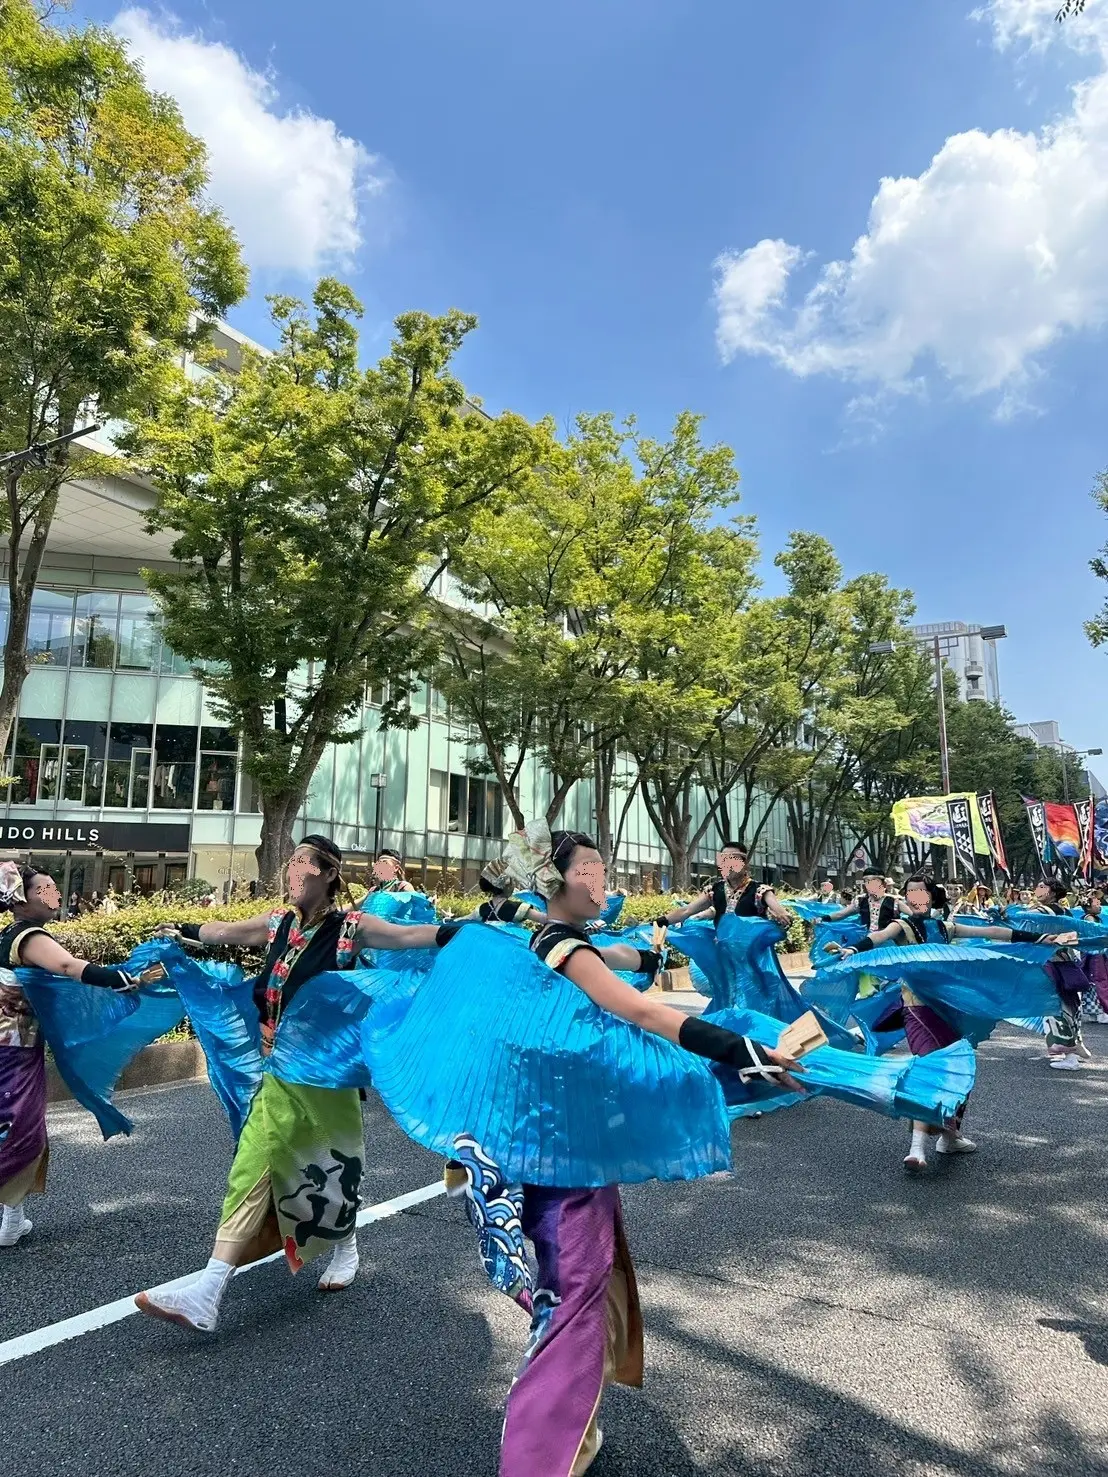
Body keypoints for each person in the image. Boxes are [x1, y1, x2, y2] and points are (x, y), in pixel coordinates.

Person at [476, 826, 804, 1475]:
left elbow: (612, 959)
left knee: (576, 1286)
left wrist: (643, 953)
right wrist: (751, 1054)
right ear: (565, 879)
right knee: (571, 1295)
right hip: (557, 1151)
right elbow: (646, 1014)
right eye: (595, 867)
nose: (605, 878)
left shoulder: (552, 941)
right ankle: (538, 1457)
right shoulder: (562, 944)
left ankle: (575, 1430)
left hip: (544, 1139)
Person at [134, 835, 454, 1333]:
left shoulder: (353, 926)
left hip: (328, 1075)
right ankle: (210, 1287)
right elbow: (224, 931)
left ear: (328, 873)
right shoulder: (277, 923)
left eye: (304, 861)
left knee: (327, 1167)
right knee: (254, 1164)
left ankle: (343, 1246)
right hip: (277, 1070)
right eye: (292, 861)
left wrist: (472, 932)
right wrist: (184, 929)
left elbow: (409, 937)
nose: (294, 869)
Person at [834, 875, 1075, 1171]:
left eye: (921, 892)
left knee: (958, 1065)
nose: (916, 897)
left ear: (931, 897)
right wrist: (852, 950)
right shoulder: (902, 926)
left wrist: (1039, 939)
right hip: (917, 1010)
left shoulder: (944, 927)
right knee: (931, 1068)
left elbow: (994, 931)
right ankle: (917, 1147)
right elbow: (877, 938)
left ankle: (950, 1135)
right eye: (910, 892)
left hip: (948, 1010)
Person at [0, 863, 137, 1248]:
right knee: (18, 1131)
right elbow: (66, 966)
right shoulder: (29, 936)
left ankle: (14, 1218)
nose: (54, 895)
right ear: (22, 899)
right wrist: (121, 979)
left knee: (21, 1129)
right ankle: (11, 1218)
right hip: (13, 1051)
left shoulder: (8, 934)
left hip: (11, 1048)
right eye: (45, 890)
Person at [1024, 877, 1091, 1070]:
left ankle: (1069, 1056)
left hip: (1052, 965)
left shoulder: (1042, 911)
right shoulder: (1066, 912)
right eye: (1037, 885)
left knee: (1055, 1008)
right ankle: (1069, 1049)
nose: (1037, 889)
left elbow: (1019, 920)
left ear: (1052, 892)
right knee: (1068, 1006)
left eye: (1042, 887)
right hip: (1065, 964)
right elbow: (1072, 939)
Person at [654, 842, 793, 930]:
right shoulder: (714, 890)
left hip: (752, 957)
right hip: (724, 955)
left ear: (745, 864)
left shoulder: (760, 890)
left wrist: (783, 917)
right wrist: (659, 922)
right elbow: (686, 911)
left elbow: (780, 911)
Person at [825, 867, 901, 931]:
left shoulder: (895, 901)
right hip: (866, 941)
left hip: (888, 943)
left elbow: (912, 915)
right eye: (867, 882)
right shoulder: (860, 900)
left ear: (883, 884)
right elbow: (840, 914)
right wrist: (821, 919)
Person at [1080, 891, 1108, 1025]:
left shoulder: (1092, 917)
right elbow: (1096, 933)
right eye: (1097, 904)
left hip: (1093, 952)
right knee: (1099, 979)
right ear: (1088, 907)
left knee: (1092, 981)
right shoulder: (1089, 918)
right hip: (1095, 954)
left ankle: (1093, 1012)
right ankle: (1102, 1011)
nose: (1100, 906)